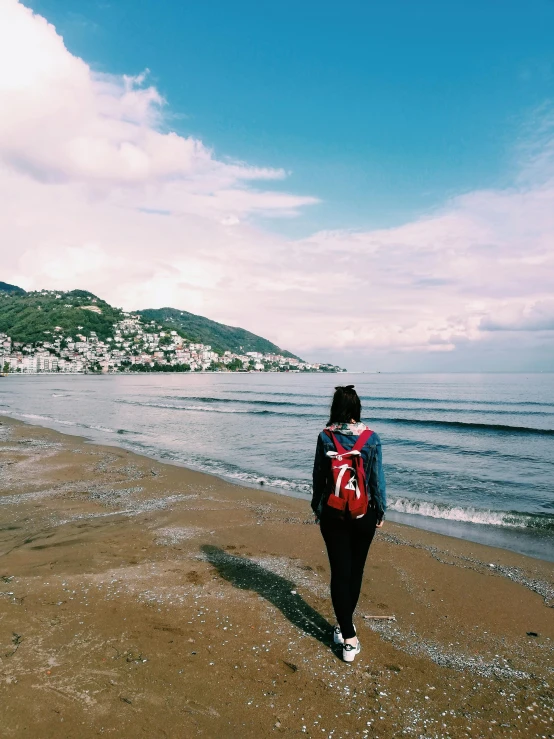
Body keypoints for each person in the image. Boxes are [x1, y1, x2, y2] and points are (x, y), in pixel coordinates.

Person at [312, 385, 386, 662]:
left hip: (333, 514)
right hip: (362, 514)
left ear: (335, 407)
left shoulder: (325, 436)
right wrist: (380, 511)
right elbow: (377, 480)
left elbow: (319, 476)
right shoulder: (371, 438)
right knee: (355, 572)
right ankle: (349, 636)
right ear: (357, 409)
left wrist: (317, 508)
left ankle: (345, 630)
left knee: (339, 572)